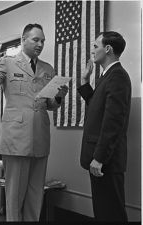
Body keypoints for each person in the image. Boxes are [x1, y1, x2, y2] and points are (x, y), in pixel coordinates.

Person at [0, 23, 68, 221]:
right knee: (14, 196)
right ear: (23, 40)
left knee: (35, 195)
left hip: (40, 137)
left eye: (43, 41)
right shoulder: (7, 62)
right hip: (16, 139)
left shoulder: (48, 69)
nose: (40, 44)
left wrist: (59, 97)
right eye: (36, 39)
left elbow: (49, 104)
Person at [78, 31, 131, 222]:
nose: (92, 51)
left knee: (111, 214)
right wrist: (85, 81)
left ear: (107, 49)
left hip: (106, 161)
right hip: (101, 160)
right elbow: (96, 106)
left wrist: (99, 158)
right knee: (103, 212)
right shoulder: (107, 76)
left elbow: (113, 122)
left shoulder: (118, 76)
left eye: (95, 46)